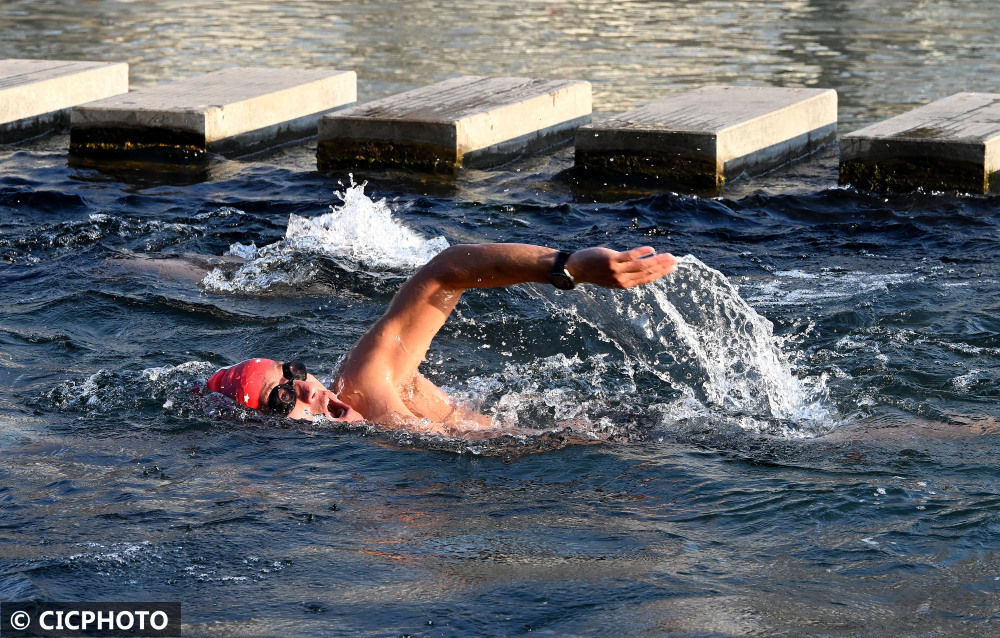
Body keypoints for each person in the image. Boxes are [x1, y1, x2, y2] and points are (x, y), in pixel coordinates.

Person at [206, 243, 678, 434]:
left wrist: (565, 267)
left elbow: (442, 274)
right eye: (282, 396)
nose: (308, 387)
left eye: (295, 374)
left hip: (619, 430)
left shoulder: (367, 379)